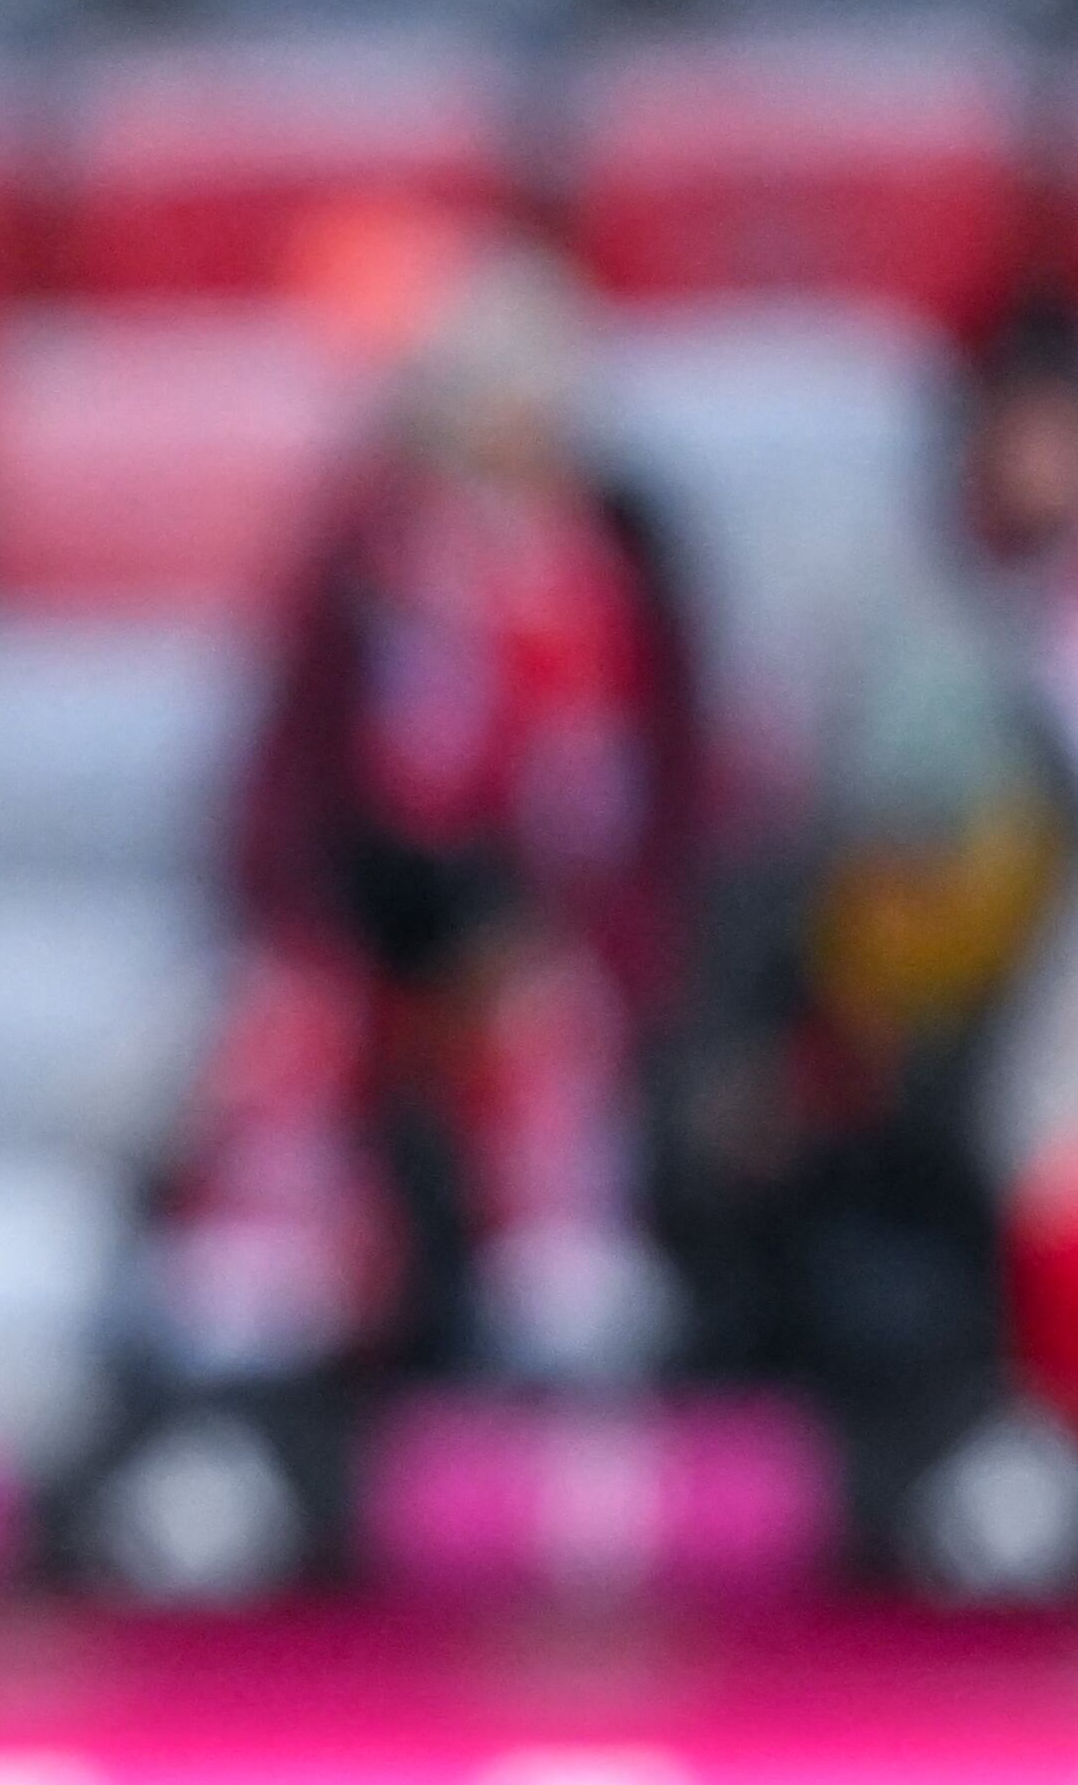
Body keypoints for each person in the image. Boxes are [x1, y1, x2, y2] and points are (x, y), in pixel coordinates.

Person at [667, 299, 1078, 1547]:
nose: (1045, 466)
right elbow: (810, 858)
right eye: (1021, 434)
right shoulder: (892, 620)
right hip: (912, 1053)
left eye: (1067, 437)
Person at [150, 243, 708, 1401]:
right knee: (292, 1019)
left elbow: (656, 794)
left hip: (543, 918)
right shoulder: (365, 556)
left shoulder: (616, 565)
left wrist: (606, 933)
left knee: (547, 1025)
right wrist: (317, 913)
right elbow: (291, 775)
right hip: (373, 909)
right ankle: (270, 1264)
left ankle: (558, 1271)